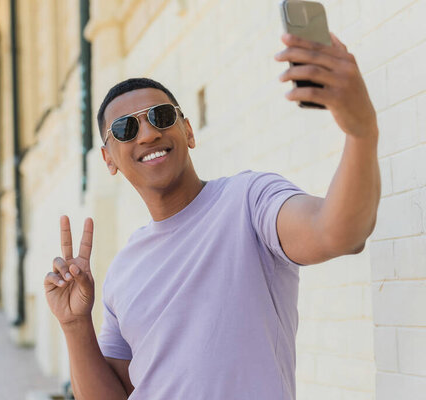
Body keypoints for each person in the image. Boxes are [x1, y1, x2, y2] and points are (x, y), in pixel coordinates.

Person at [44, 32, 380, 399]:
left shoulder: (249, 201)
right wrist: (75, 324)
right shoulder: (123, 270)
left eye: (161, 116)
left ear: (187, 131)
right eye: (125, 128)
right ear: (108, 159)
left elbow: (338, 233)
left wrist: (360, 132)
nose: (148, 133)